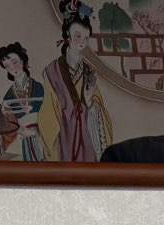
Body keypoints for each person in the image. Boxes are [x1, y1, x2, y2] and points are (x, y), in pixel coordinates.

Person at [39, 0, 113, 161]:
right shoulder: (52, 71)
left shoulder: (89, 72)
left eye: (86, 38)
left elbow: (100, 108)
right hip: (62, 135)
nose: (82, 42)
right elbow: (48, 111)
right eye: (78, 36)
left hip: (86, 136)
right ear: (68, 34)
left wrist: (89, 102)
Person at [0, 42, 45, 161]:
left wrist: (32, 131)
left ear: (22, 62)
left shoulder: (37, 87)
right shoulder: (9, 95)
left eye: (14, 62)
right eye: (7, 66)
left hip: (41, 134)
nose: (12, 68)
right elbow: (9, 121)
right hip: (23, 136)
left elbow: (47, 114)